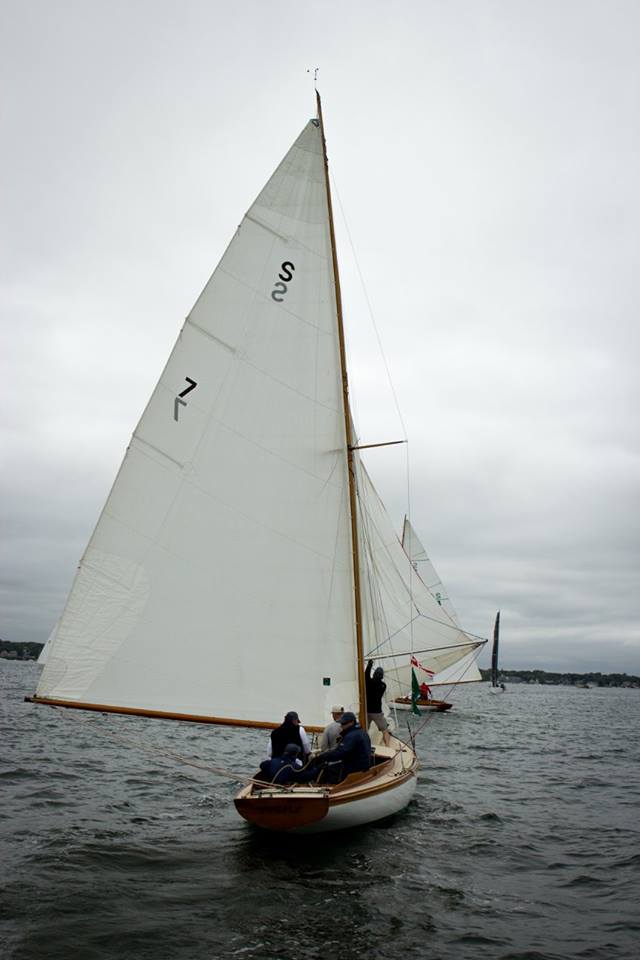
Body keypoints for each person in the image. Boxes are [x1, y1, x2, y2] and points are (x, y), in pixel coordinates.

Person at [312, 712, 372, 784]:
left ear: (351, 722)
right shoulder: (361, 732)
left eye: (344, 723)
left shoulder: (352, 736)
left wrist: (321, 756)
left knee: (327, 769)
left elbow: (340, 753)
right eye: (341, 723)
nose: (341, 726)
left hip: (354, 770)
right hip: (363, 768)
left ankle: (330, 787)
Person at [365, 660, 391, 746]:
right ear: (382, 676)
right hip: (377, 712)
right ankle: (388, 746)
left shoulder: (369, 682)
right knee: (385, 730)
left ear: (374, 674)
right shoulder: (383, 686)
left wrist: (369, 665)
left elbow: (366, 675)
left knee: (365, 730)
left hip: (367, 711)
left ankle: (364, 745)